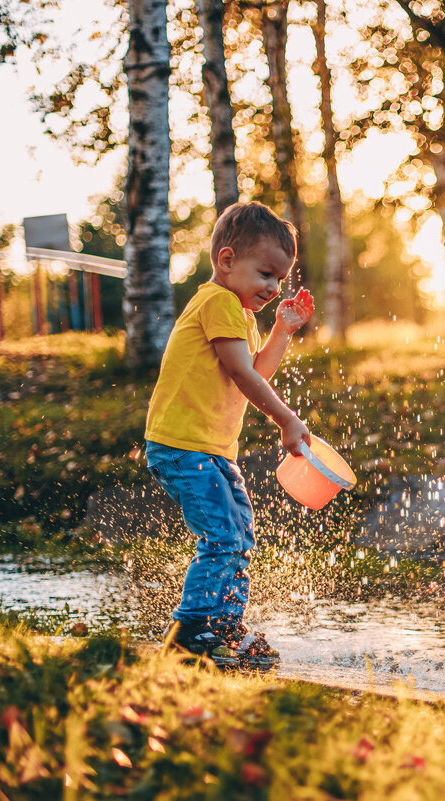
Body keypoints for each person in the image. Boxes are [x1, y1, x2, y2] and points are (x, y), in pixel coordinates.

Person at [144, 201, 314, 671]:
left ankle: (224, 628)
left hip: (212, 450)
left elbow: (257, 369)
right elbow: (243, 375)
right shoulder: (217, 301)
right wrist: (285, 419)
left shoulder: (240, 314)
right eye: (265, 274)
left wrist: (281, 328)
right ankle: (190, 631)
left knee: (239, 536)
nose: (273, 287)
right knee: (222, 538)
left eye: (280, 279)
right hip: (183, 446)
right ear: (226, 260)